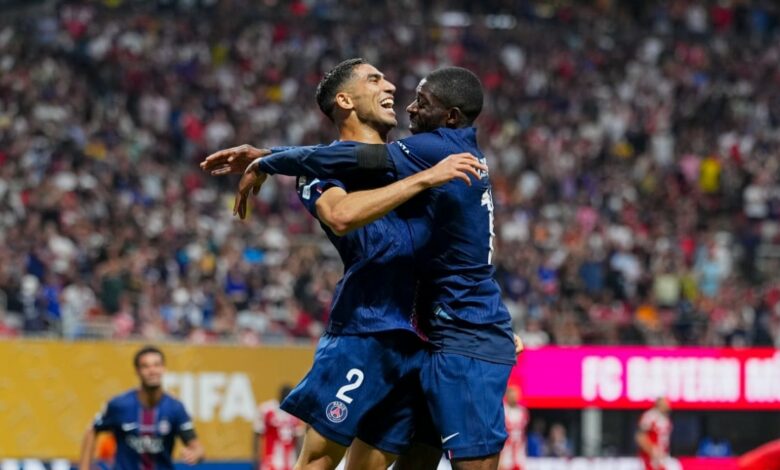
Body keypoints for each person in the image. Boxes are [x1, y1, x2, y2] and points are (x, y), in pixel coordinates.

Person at [203, 63, 519, 470]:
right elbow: (341, 216)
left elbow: (464, 243)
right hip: (366, 327)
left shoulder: (414, 157)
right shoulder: (320, 168)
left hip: (426, 337)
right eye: (374, 79)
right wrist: (269, 160)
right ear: (345, 100)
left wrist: (486, 327)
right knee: (319, 458)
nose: (391, 86)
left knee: (407, 462)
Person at [78, 345, 205, 470]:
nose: (152, 371)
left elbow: (197, 448)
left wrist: (195, 454)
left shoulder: (175, 408)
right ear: (137, 371)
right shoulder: (119, 405)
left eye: (156, 365)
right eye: (146, 366)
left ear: (163, 368)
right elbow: (92, 430)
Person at [254, 385, 305, 470]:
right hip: (270, 462)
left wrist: (301, 462)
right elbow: (257, 435)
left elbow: (299, 441)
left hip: (289, 462)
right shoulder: (267, 410)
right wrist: (256, 460)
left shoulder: (295, 413)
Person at [636, 398, 672, 470]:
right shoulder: (650, 416)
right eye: (666, 403)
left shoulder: (665, 418)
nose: (668, 406)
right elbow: (640, 436)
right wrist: (652, 451)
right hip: (651, 457)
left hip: (661, 456)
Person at [499, 385, 529, 470]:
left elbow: (523, 433)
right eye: (512, 395)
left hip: (519, 450)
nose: (514, 398)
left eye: (516, 395)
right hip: (506, 450)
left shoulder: (523, 411)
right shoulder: (503, 411)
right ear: (507, 396)